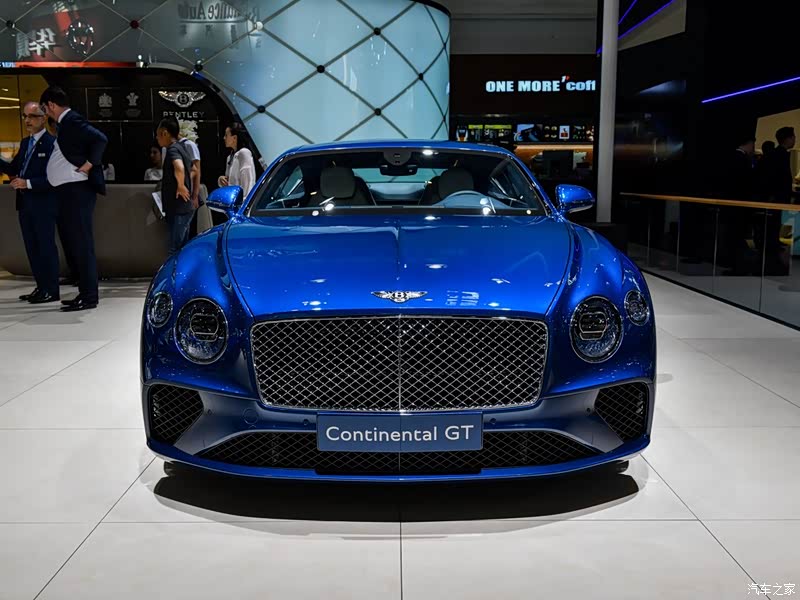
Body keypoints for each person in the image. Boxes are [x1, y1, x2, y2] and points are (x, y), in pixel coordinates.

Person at [40, 86, 108, 312]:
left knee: (82, 244)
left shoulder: (72, 120)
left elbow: (100, 139)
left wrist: (89, 164)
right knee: (76, 245)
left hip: (77, 191)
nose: (45, 113)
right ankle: (84, 293)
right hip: (69, 192)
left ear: (51, 105)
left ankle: (89, 296)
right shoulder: (66, 123)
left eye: (44, 108)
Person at [0, 101, 59, 303]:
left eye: (32, 116)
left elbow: (54, 178)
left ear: (43, 118)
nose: (27, 120)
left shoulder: (51, 144)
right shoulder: (26, 143)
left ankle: (51, 289)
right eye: (25, 116)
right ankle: (41, 287)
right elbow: (14, 168)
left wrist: (28, 183)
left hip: (43, 203)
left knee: (45, 246)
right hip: (25, 204)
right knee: (32, 248)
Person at [156, 118, 195, 256]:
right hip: (184, 208)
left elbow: (179, 167)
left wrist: (181, 185)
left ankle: (174, 271)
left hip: (179, 208)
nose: (157, 138)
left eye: (158, 134)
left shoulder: (173, 149)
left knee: (175, 250)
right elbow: (194, 169)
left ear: (165, 133)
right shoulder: (181, 147)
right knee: (182, 249)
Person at [218, 122, 256, 197]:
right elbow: (230, 183)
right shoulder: (230, 157)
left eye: (226, 135)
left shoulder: (244, 153)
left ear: (234, 138)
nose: (224, 138)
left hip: (242, 202)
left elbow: (248, 183)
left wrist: (245, 202)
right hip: (232, 200)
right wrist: (221, 180)